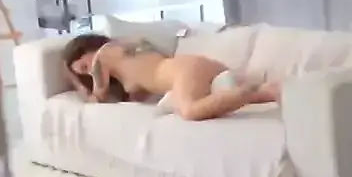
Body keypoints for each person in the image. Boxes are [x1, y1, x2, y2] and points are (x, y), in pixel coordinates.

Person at [60, 33, 280, 121]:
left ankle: (254, 92)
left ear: (88, 49)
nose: (89, 72)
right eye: (84, 73)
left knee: (191, 111)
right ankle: (269, 91)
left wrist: (74, 80)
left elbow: (96, 98)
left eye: (84, 66)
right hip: (194, 66)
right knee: (218, 99)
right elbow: (144, 89)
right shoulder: (129, 47)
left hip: (182, 73)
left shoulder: (102, 57)